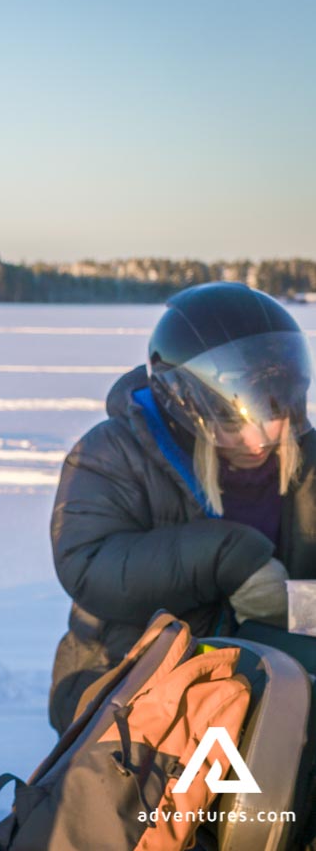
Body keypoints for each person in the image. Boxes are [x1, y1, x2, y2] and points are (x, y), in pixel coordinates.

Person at [48, 281, 316, 733]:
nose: (263, 438)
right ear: (185, 404)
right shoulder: (113, 451)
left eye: (280, 411)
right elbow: (88, 563)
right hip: (133, 685)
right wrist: (228, 559)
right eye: (235, 421)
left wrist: (297, 605)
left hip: (274, 683)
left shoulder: (306, 460)